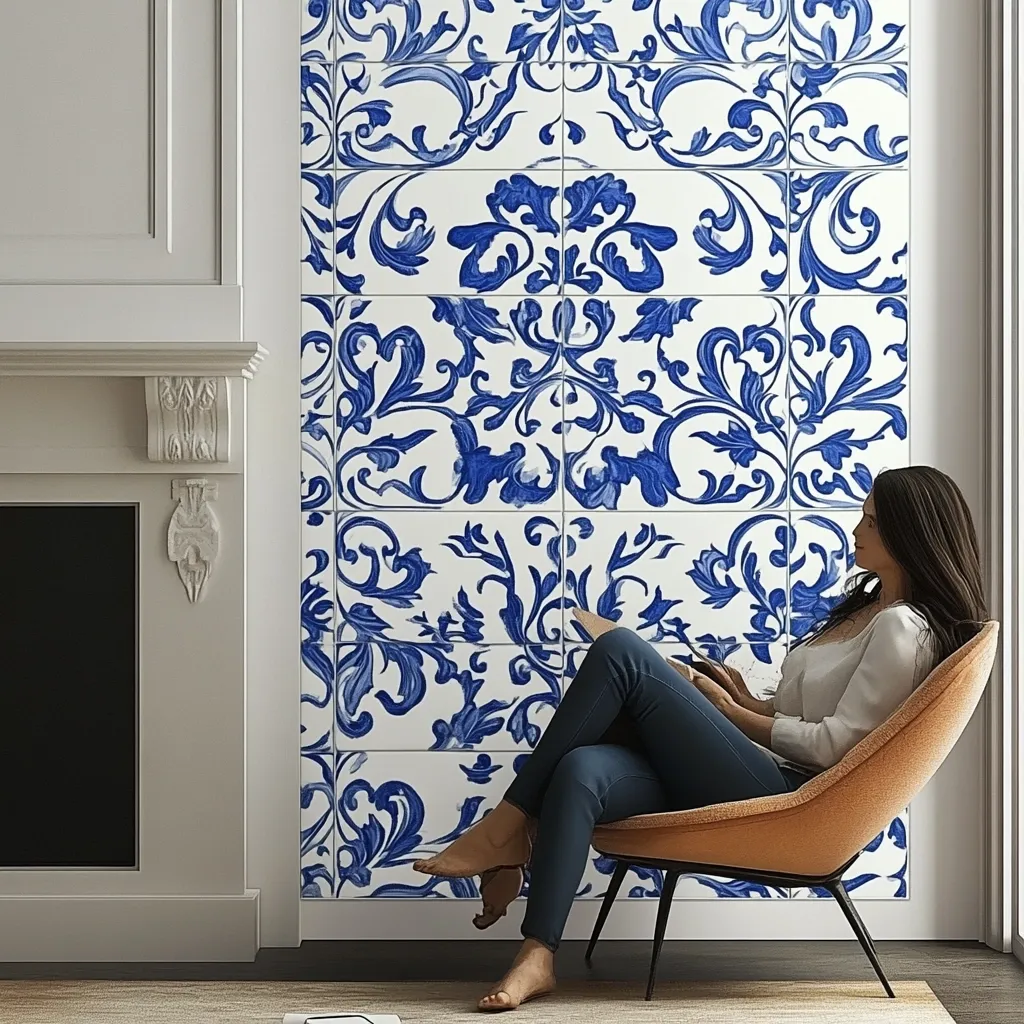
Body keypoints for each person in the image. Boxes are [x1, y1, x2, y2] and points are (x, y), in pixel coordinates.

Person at [412, 466, 988, 1012]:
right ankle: (537, 954)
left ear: (911, 531)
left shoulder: (902, 628)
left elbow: (833, 748)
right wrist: (744, 699)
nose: (857, 529)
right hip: (760, 764)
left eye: (873, 520)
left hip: (789, 794)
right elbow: (806, 712)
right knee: (582, 768)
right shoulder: (866, 608)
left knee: (619, 652)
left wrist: (728, 715)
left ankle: (507, 831)